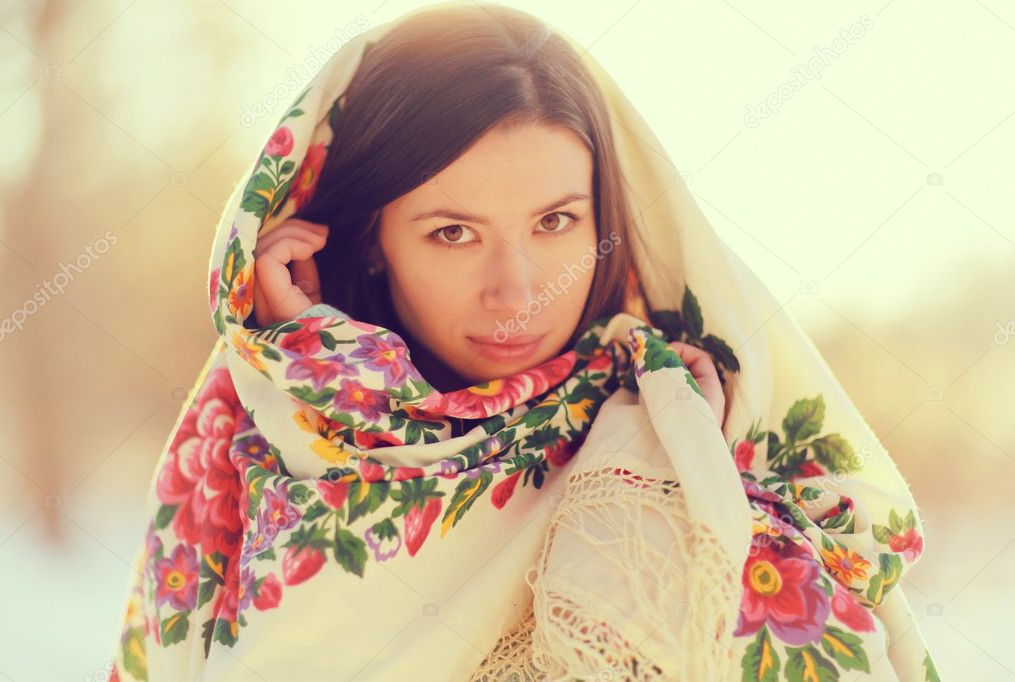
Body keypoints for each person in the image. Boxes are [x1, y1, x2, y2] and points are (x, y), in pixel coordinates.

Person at [108, 3, 937, 680]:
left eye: (554, 223)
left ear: (607, 217)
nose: (516, 291)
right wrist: (321, 368)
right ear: (369, 239)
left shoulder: (686, 432)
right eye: (452, 233)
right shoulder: (250, 441)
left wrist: (700, 474)